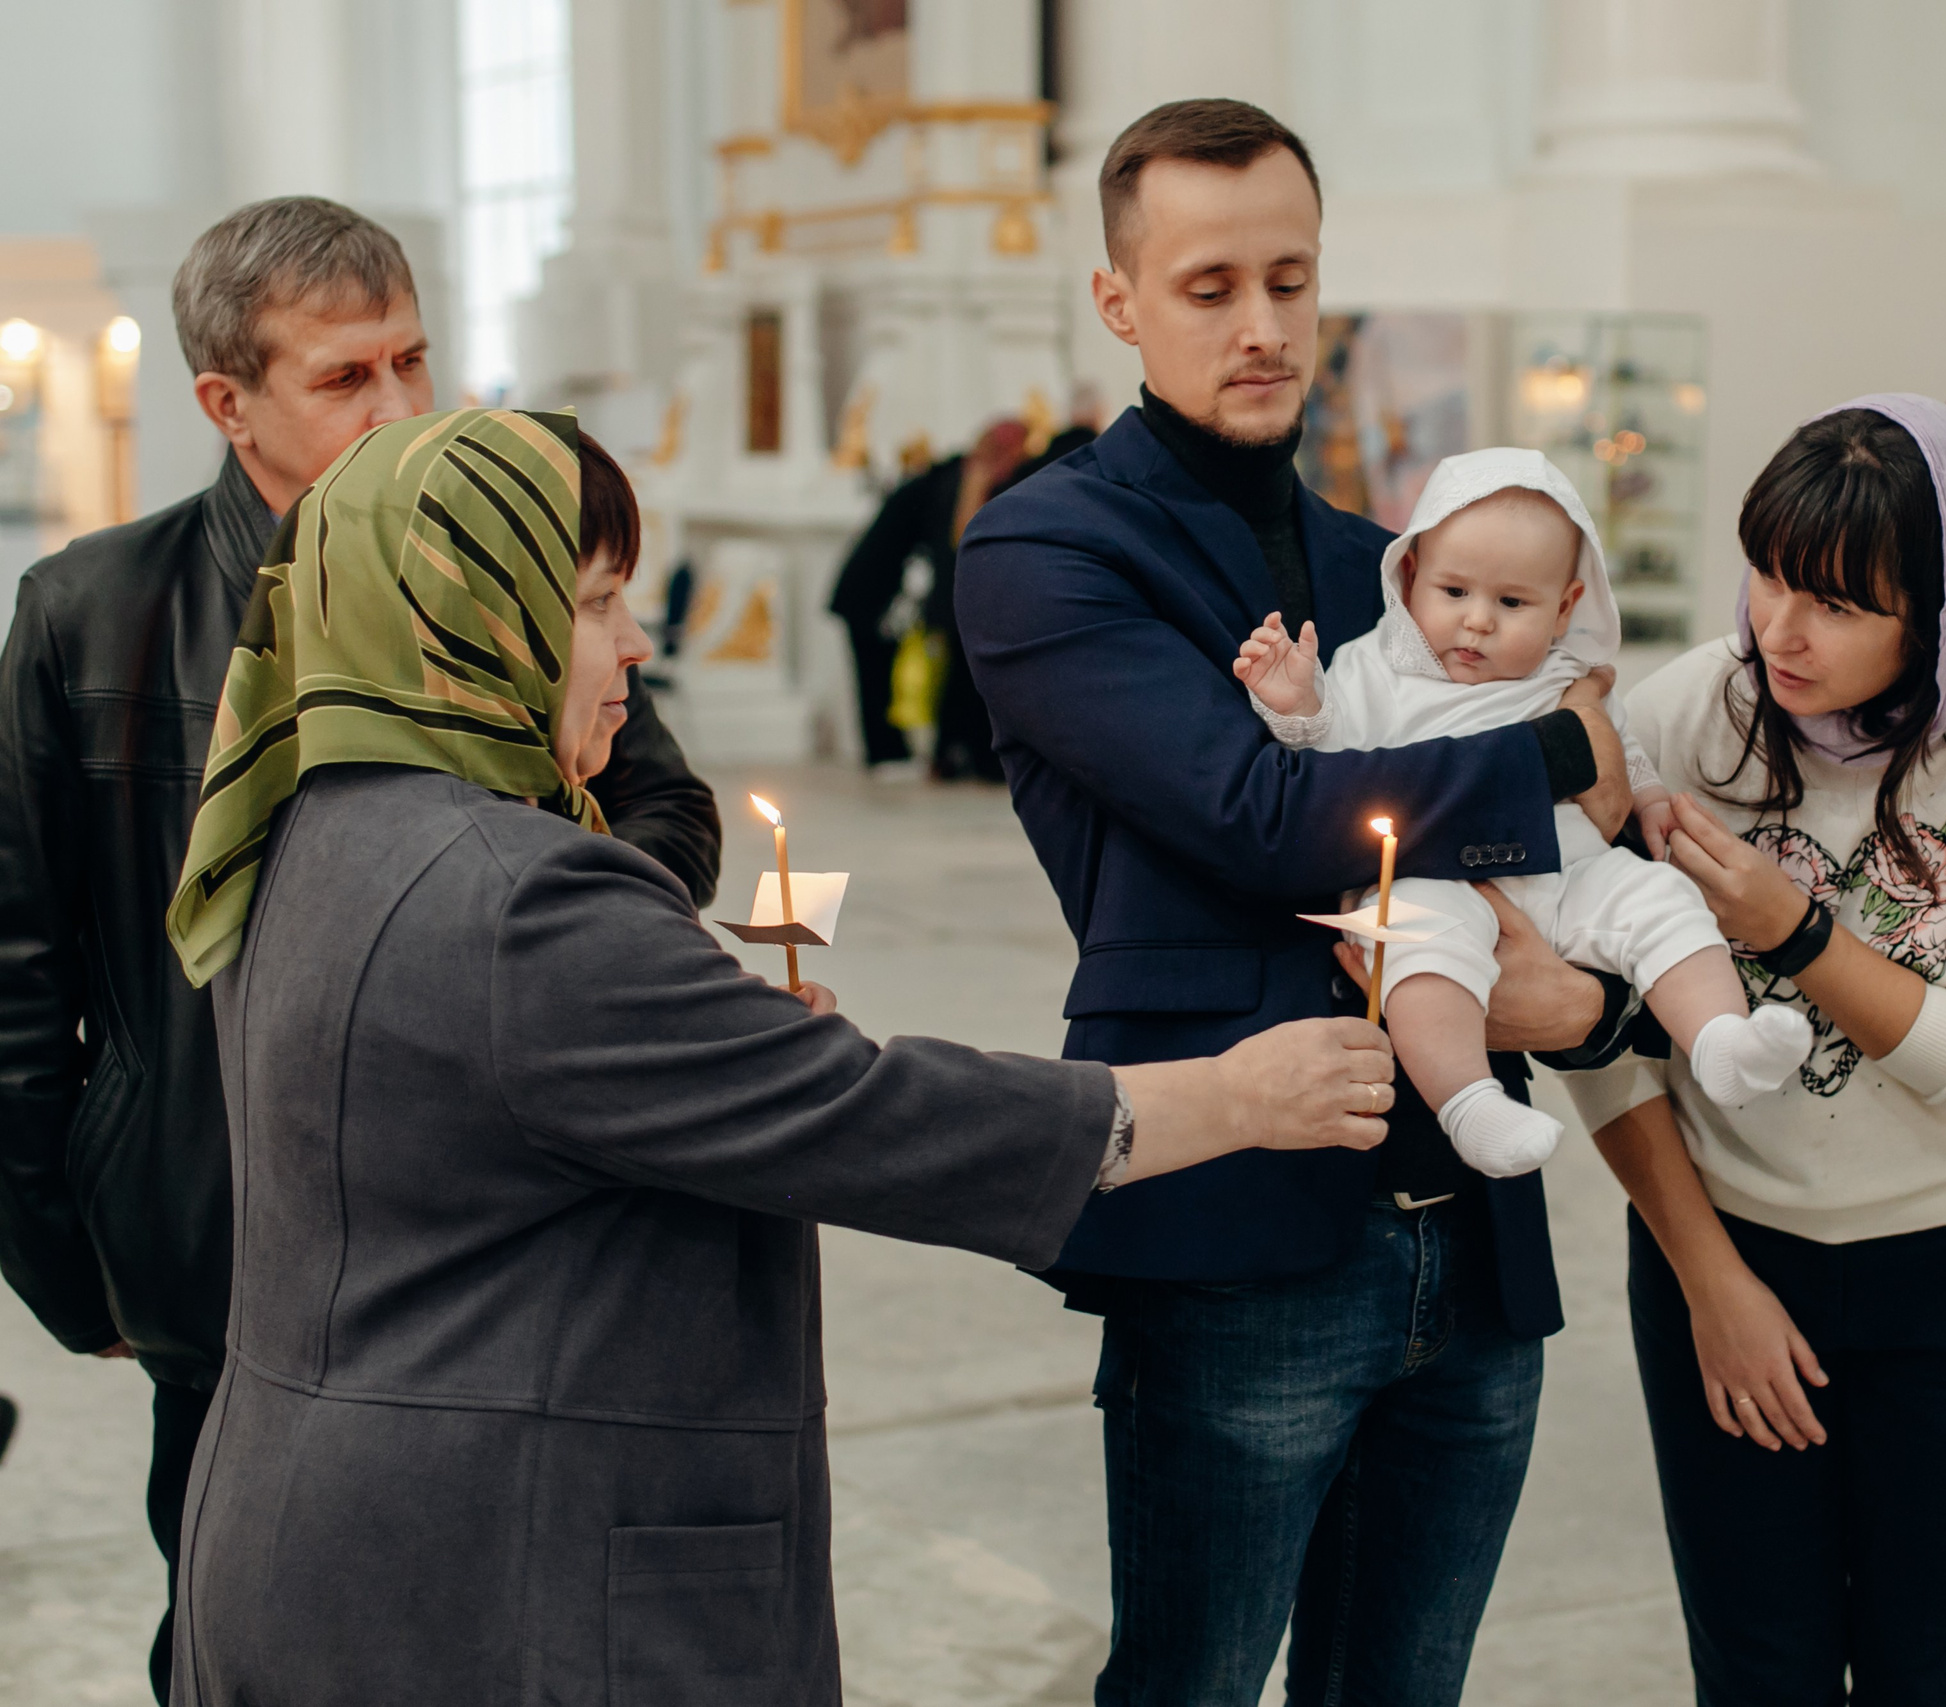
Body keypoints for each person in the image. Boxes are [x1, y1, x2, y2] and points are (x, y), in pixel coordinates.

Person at [162, 406, 1393, 1706]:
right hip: (491, 1576)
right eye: (592, 602)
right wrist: (1232, 1092)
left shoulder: (315, 820)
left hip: (319, 1532)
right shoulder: (515, 896)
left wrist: (707, 1043)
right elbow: (863, 1113)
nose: (636, 643)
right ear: (463, 609)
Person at [956, 100, 1642, 1705]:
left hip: (1466, 1236)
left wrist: (1594, 981)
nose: (1263, 326)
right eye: (1209, 287)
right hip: (1243, 1224)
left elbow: (1586, 853)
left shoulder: (1396, 563)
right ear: (1119, 298)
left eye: (1290, 277)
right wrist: (1553, 742)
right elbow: (1264, 817)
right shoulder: (1049, 549)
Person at [0, 197, 720, 1707]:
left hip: (498, 1223)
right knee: (232, 1628)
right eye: (345, 379)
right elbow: (17, 969)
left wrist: (572, 954)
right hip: (224, 1235)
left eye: (414, 361)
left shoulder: (498, 564)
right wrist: (81, 1264)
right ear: (228, 402)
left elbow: (665, 799)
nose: (402, 409)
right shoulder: (89, 615)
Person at [1567, 396, 1946, 1701]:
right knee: (1758, 1670)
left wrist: (1794, 930)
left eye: (1836, 601)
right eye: (1767, 572)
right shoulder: (1690, 714)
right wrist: (1710, 1279)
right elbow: (1603, 1034)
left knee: (1941, 1675)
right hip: (1728, 1248)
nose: (1779, 629)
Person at [1237, 447, 1813, 1179]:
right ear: (1410, 574)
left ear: (1566, 607)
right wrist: (1296, 703)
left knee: (1663, 900)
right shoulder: (1371, 668)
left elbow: (1622, 754)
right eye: (1453, 591)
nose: (1476, 622)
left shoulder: (1569, 676)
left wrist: (1651, 801)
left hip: (1569, 874)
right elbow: (1329, 753)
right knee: (1420, 946)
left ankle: (1720, 1041)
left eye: (1512, 604)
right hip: (1435, 876)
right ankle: (1469, 1102)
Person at [827, 419, 1029, 777]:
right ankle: (886, 754)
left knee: (883, 672)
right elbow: (955, 538)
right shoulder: (961, 478)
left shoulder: (945, 474)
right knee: (876, 674)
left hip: (872, 588)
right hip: (869, 590)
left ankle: (894, 753)